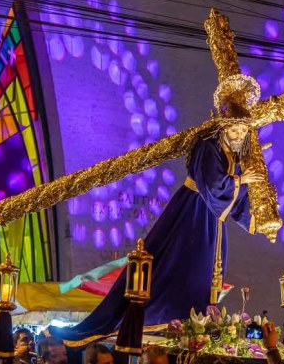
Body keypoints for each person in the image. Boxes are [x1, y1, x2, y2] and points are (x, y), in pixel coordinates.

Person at [48, 74, 263, 346]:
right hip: (193, 212)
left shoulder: (235, 155)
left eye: (243, 132)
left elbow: (235, 196)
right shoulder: (207, 146)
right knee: (178, 262)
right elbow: (210, 184)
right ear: (222, 128)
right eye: (234, 130)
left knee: (204, 270)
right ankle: (162, 317)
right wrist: (241, 180)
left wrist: (255, 217)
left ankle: (195, 322)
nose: (238, 135)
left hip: (212, 219)